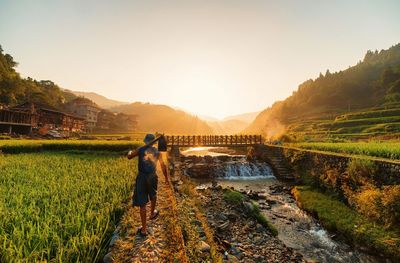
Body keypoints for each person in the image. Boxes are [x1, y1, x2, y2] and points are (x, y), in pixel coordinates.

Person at [127, 133, 169, 237]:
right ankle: (152, 213)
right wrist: (167, 178)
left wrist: (130, 151)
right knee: (153, 194)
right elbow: (163, 165)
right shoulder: (157, 152)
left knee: (142, 203)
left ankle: (144, 229)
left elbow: (129, 156)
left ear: (145, 141)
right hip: (152, 177)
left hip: (142, 177)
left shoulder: (141, 150)